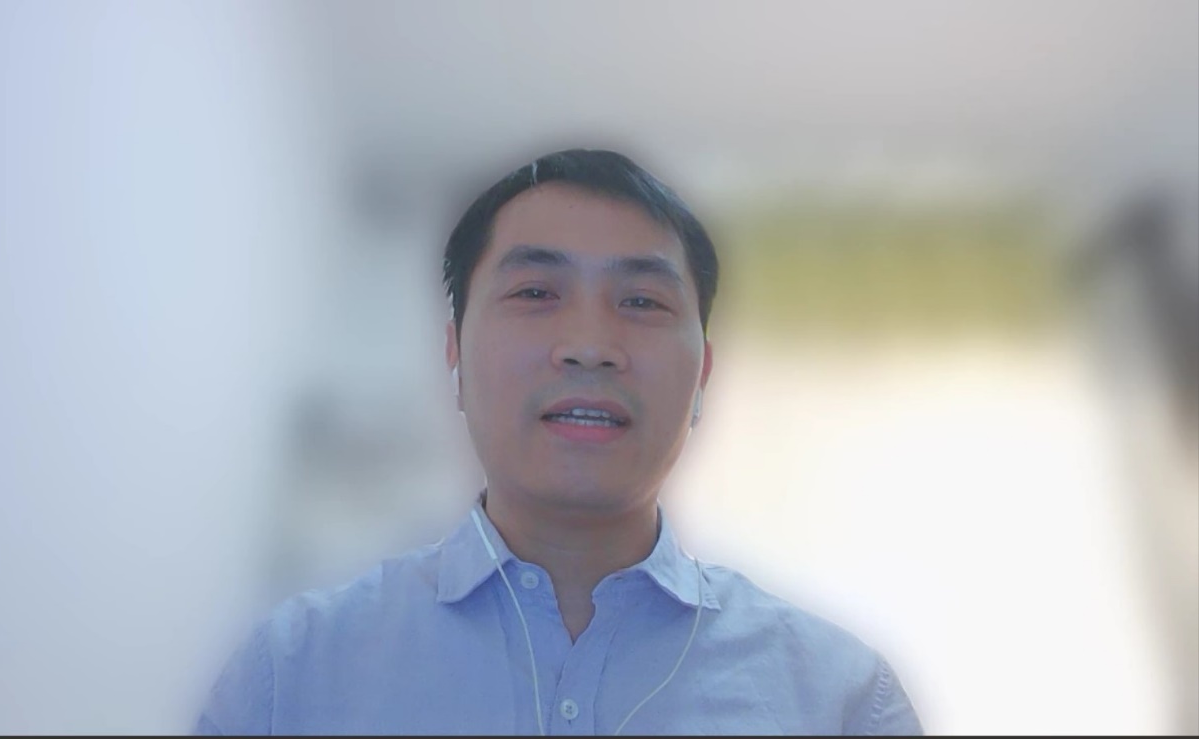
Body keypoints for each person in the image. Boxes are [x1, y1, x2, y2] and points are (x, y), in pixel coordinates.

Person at [193, 148, 924, 735]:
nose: (588, 346)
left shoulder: (839, 700)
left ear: (702, 373)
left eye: (642, 301)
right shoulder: (290, 677)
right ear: (454, 353)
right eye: (536, 293)